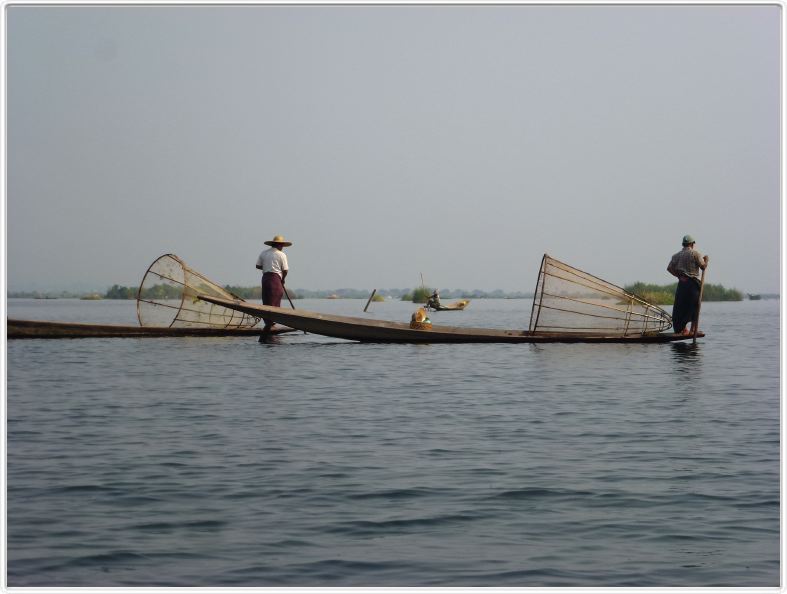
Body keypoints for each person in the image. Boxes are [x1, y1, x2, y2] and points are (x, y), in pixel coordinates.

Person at [667, 234, 709, 335]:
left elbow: (669, 268)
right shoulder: (695, 254)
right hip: (692, 284)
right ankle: (693, 330)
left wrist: (678, 276)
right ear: (692, 244)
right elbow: (703, 267)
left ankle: (684, 329)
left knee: (682, 306)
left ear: (683, 244)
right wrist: (706, 260)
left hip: (682, 284)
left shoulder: (676, 255)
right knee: (694, 306)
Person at [256, 234, 292, 333]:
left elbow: (258, 266)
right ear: (279, 245)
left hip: (265, 279)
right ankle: (271, 324)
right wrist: (283, 279)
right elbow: (285, 270)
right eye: (282, 245)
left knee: (267, 300)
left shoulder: (264, 253)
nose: (282, 247)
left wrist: (268, 267)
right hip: (275, 279)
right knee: (275, 301)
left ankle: (268, 323)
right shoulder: (281, 254)